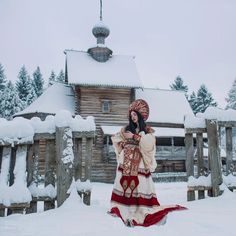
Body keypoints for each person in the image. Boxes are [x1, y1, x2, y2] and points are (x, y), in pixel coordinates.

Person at [108, 99, 186, 227]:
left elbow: (149, 144)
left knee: (140, 185)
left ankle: (139, 208)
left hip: (139, 163)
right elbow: (115, 138)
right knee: (124, 183)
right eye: (131, 115)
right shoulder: (126, 129)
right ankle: (124, 207)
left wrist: (134, 137)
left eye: (135, 115)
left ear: (140, 116)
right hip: (126, 161)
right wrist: (123, 143)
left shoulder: (147, 131)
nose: (133, 117)